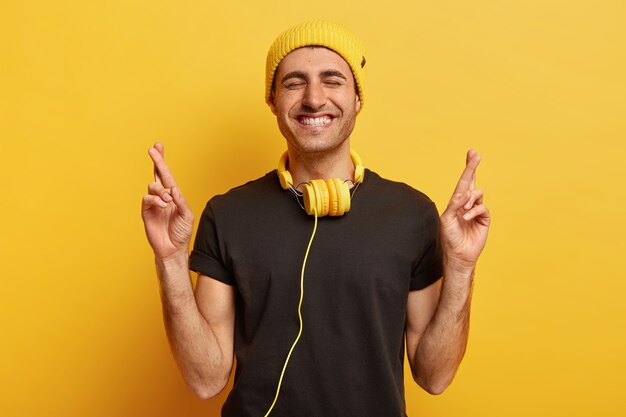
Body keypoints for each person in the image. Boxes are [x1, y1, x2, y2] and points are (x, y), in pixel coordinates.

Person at [141, 20, 490, 417]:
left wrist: (461, 267)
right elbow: (205, 380)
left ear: (358, 98)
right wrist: (170, 260)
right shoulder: (228, 214)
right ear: (272, 101)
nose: (313, 98)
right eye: (293, 82)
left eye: (332, 80)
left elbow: (435, 376)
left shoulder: (412, 214)